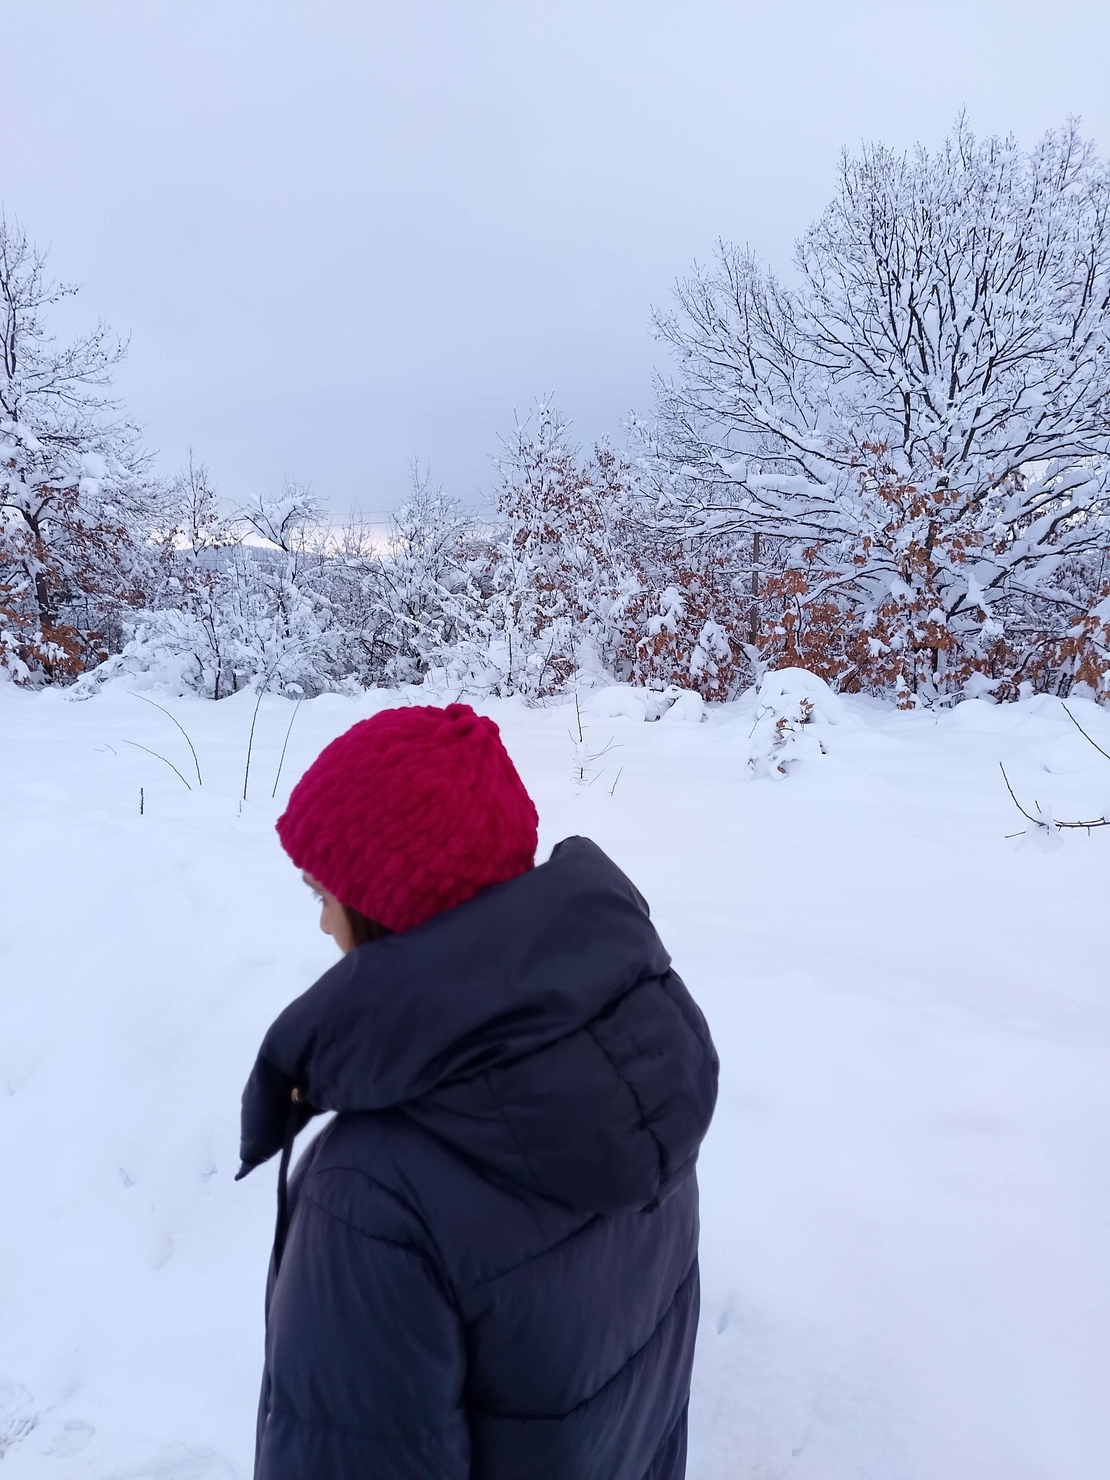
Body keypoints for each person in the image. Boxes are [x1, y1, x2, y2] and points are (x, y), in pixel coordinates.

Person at [237, 702, 718, 1479]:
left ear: (392, 906)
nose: (323, 925)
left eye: (323, 894)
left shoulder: (371, 1191)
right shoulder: (637, 1073)